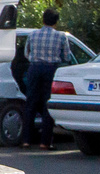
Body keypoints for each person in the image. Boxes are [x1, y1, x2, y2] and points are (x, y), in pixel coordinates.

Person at [22, 8, 75, 148]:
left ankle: (26, 140)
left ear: (43, 19)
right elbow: (67, 57)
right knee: (48, 103)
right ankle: (45, 142)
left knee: (30, 103)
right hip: (51, 69)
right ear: (56, 22)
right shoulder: (61, 36)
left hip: (34, 68)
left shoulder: (32, 35)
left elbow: (26, 53)